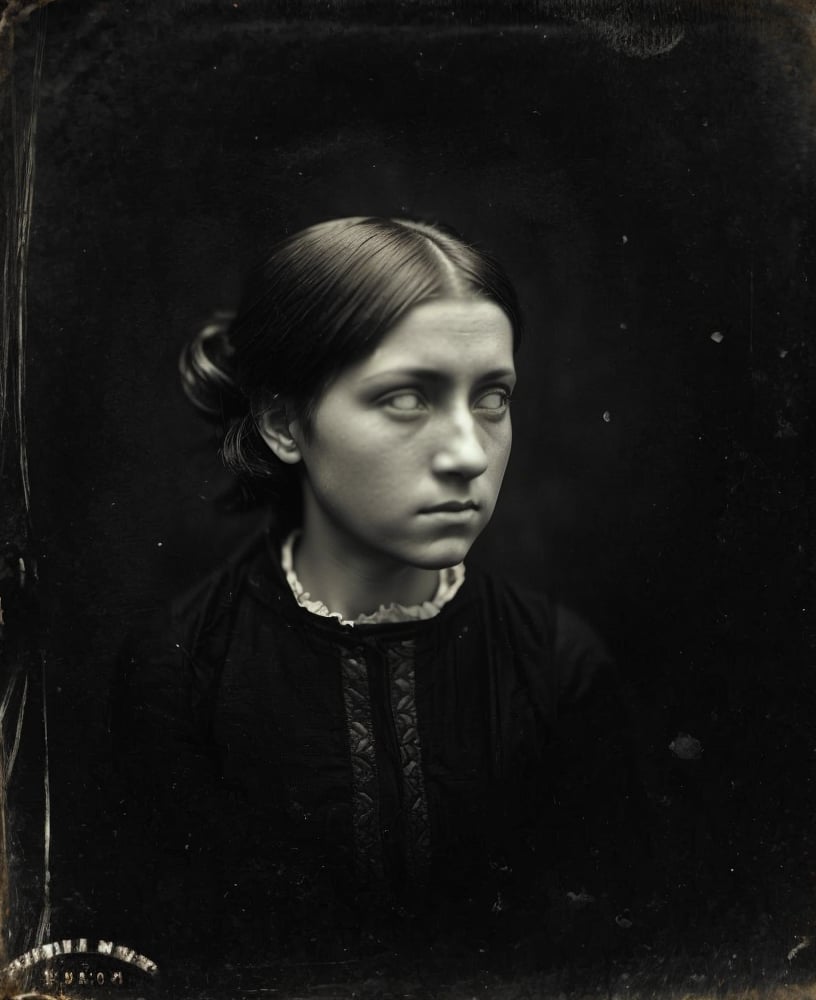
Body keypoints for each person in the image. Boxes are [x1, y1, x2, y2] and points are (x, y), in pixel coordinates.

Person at [112, 216, 646, 974]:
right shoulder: (182, 670)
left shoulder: (558, 667)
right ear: (284, 422)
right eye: (406, 398)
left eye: (491, 397)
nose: (468, 453)